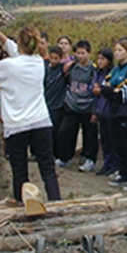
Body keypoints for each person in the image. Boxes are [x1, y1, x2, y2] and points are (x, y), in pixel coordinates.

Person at [0, 26, 61, 202]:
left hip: (17, 126)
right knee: (47, 167)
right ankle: (56, 201)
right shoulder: (39, 62)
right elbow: (18, 52)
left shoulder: (8, 66)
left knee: (20, 171)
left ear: (19, 44)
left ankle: (21, 203)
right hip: (41, 121)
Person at [93, 38, 127, 190]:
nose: (117, 53)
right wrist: (113, 90)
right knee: (116, 144)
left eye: (120, 50)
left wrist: (112, 91)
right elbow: (103, 89)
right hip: (113, 112)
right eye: (116, 50)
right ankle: (123, 172)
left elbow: (125, 95)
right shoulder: (115, 70)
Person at [55, 40, 98, 172]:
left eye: (83, 53)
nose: (80, 56)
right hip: (72, 105)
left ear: (89, 53)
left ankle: (89, 159)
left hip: (88, 106)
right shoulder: (72, 67)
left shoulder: (93, 70)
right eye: (78, 53)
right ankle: (65, 157)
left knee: (89, 135)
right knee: (65, 132)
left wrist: (95, 111)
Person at [91, 48, 117, 176]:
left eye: (103, 59)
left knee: (112, 140)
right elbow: (93, 88)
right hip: (100, 109)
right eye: (98, 58)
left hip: (110, 110)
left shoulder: (113, 73)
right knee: (104, 140)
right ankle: (107, 164)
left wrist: (100, 89)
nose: (100, 61)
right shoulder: (97, 73)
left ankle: (114, 165)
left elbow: (110, 90)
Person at [44, 45, 70, 158]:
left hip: (58, 105)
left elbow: (72, 63)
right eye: (51, 57)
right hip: (47, 103)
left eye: (56, 58)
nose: (53, 60)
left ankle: (57, 154)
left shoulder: (62, 69)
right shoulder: (46, 69)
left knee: (56, 132)